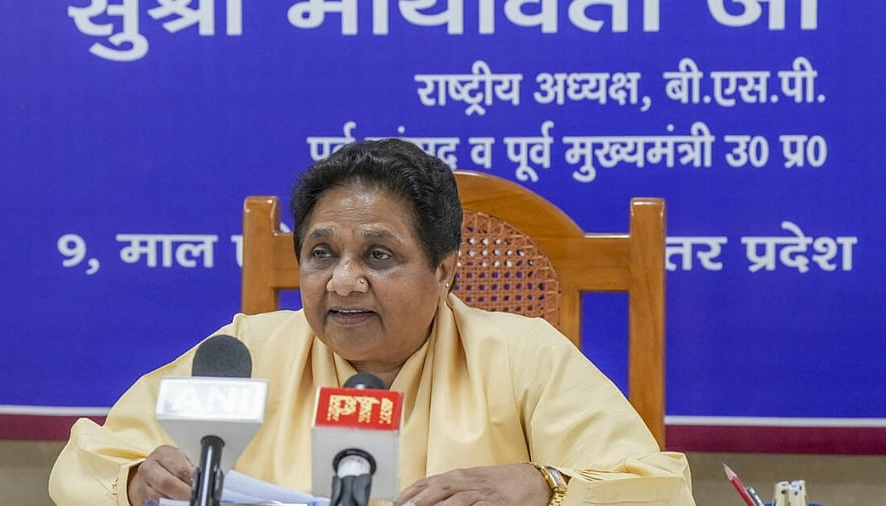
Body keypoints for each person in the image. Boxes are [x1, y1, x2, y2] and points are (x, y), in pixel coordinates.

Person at [49, 138, 695, 506]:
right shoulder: (248, 352)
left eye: (379, 256)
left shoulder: (522, 356)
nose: (343, 281)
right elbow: (88, 462)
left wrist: (543, 485)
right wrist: (136, 481)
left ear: (444, 271)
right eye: (321, 254)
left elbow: (659, 489)